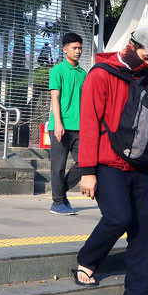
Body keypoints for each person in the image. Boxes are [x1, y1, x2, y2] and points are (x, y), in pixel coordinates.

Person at [72, 27, 148, 295]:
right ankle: (88, 259)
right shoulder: (100, 74)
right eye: (145, 54)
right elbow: (88, 124)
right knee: (118, 217)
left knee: (143, 231)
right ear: (131, 45)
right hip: (106, 163)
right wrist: (87, 171)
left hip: (139, 164)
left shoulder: (146, 76)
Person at [48, 32, 86, 215]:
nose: (78, 51)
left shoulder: (83, 73)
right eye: (74, 48)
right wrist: (58, 123)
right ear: (64, 50)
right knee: (58, 166)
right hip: (60, 127)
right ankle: (57, 203)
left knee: (85, 162)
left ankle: (60, 193)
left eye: (80, 48)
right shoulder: (57, 71)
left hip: (80, 127)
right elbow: (54, 98)